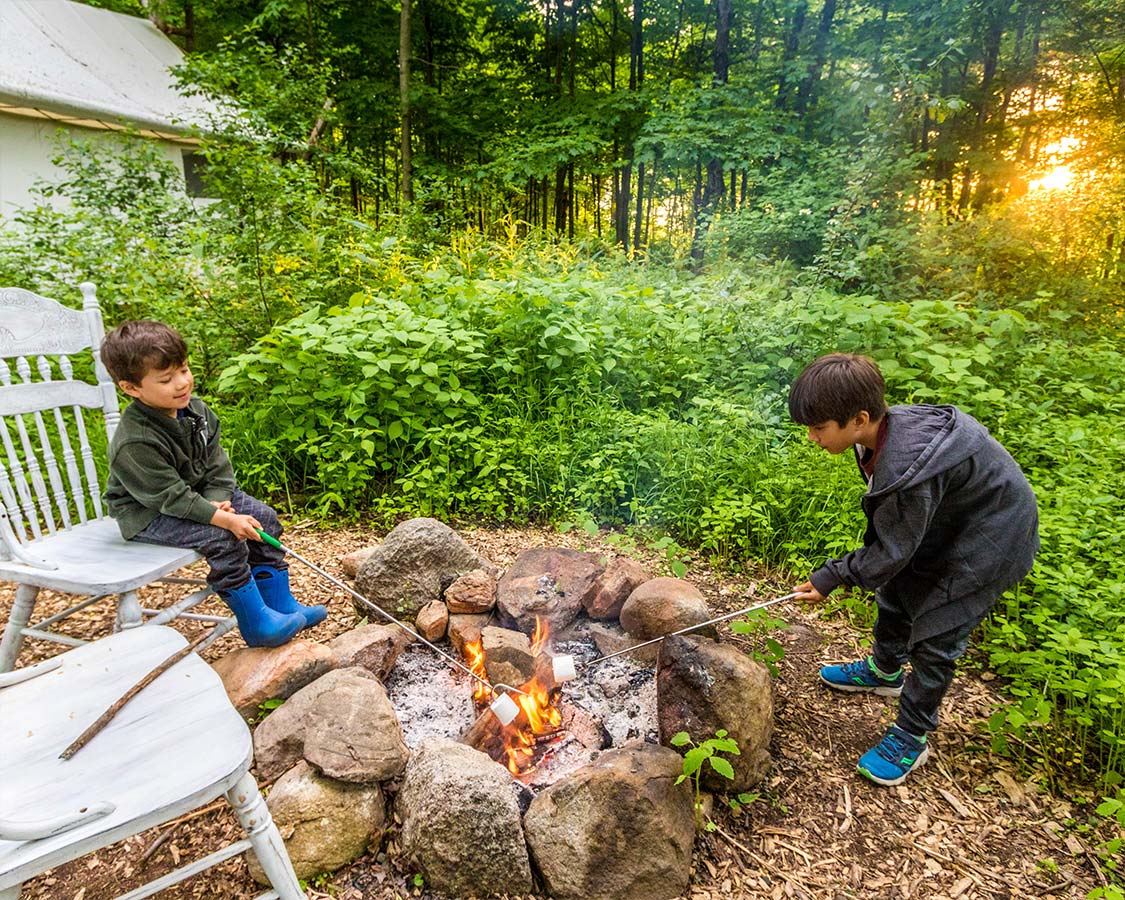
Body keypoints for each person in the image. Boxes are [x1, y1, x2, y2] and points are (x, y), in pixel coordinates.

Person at [788, 353, 1039, 786]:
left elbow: (890, 551)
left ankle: (912, 734)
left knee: (937, 632)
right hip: (949, 520)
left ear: (859, 417)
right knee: (897, 589)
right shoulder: (877, 435)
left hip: (993, 537)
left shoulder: (910, 464)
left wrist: (833, 576)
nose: (812, 438)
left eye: (818, 428)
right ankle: (885, 671)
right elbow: (895, 547)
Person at [101, 319, 326, 647]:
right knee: (223, 536)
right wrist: (220, 517)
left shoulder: (196, 411)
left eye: (184, 369)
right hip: (149, 513)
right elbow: (170, 498)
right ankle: (257, 622)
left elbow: (217, 466)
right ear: (131, 388)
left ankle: (281, 606)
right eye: (166, 379)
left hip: (200, 496)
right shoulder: (135, 442)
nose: (182, 383)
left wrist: (218, 498)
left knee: (263, 518)